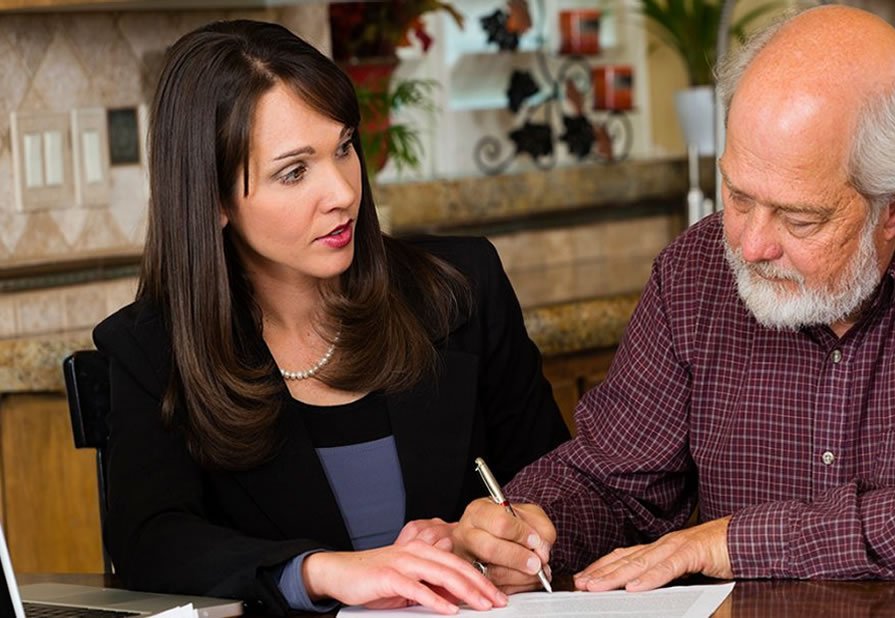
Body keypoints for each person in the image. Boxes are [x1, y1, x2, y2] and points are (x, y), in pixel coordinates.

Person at [452, 4, 895, 593]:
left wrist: (731, 540)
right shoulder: (694, 273)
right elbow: (615, 482)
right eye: (737, 196)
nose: (750, 244)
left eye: (798, 219)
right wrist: (533, 527)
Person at [93, 19, 569, 616]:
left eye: (343, 148)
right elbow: (150, 546)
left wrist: (514, 541)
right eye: (294, 171)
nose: (342, 191)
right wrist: (321, 572)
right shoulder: (152, 349)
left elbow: (558, 483)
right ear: (213, 200)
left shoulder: (462, 289)